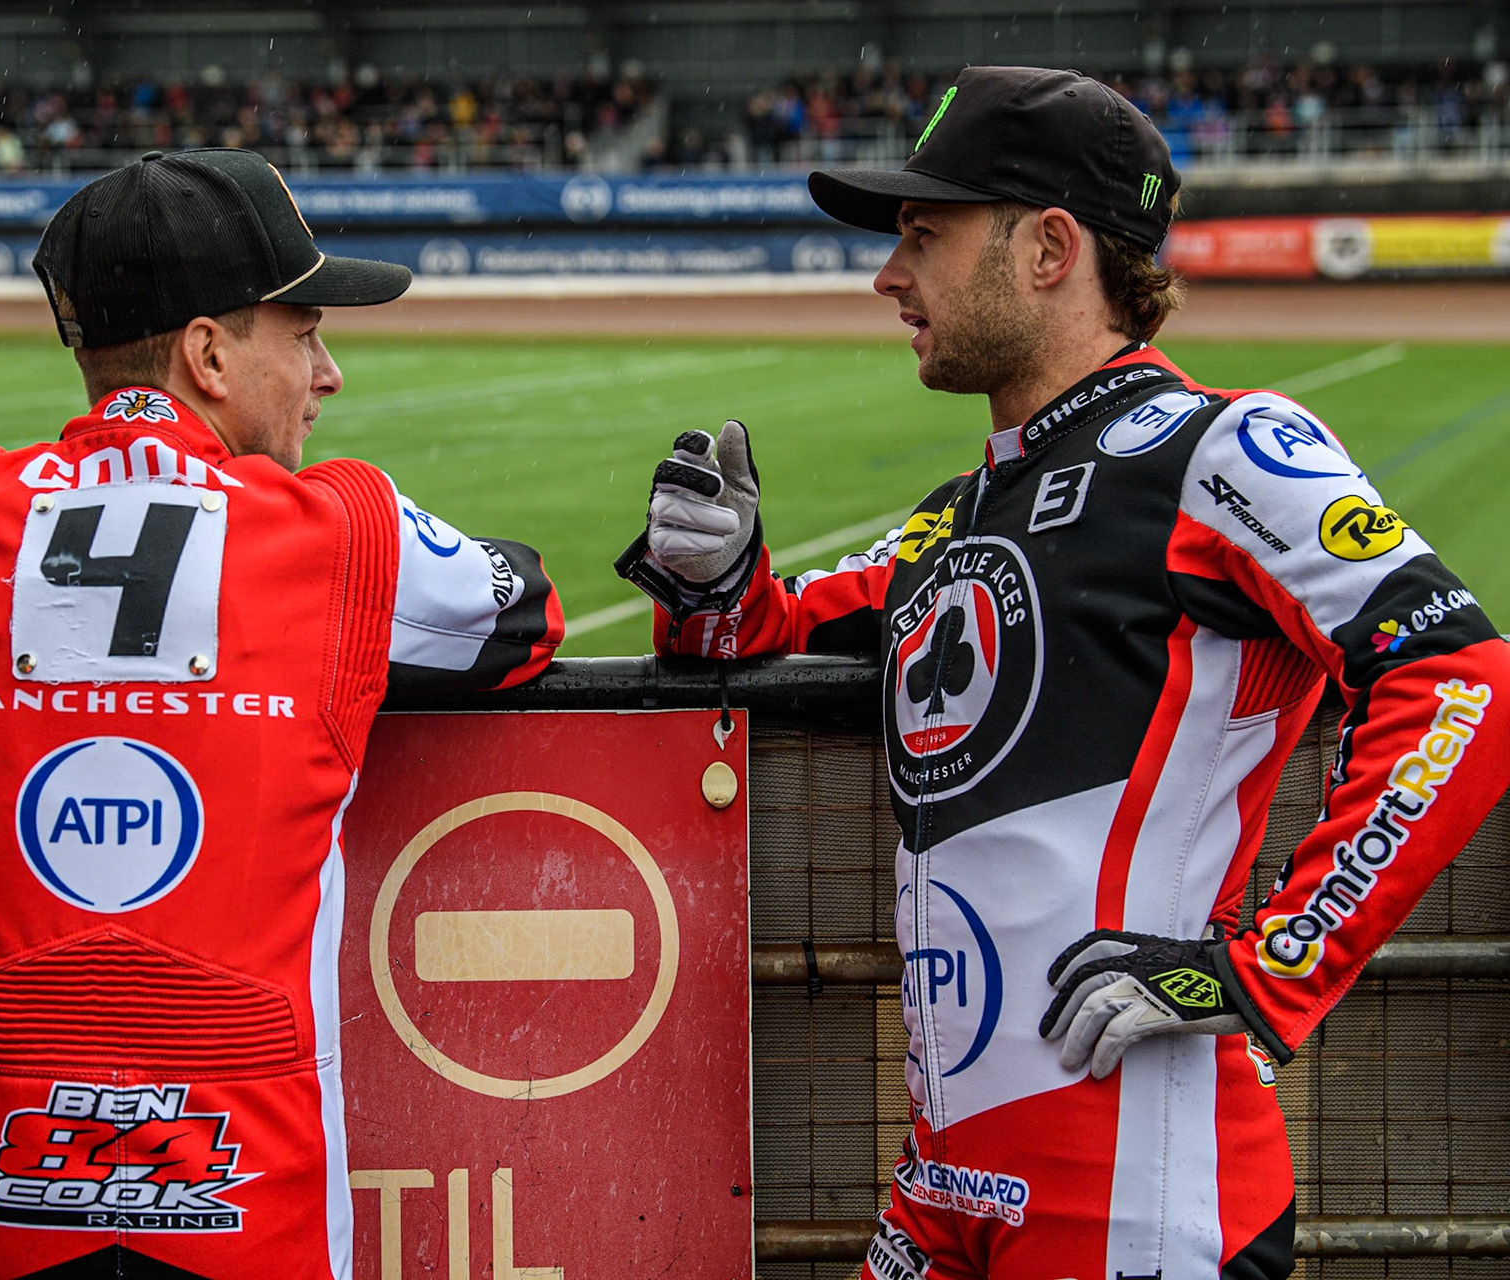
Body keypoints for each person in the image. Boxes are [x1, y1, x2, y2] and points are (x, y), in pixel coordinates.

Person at [617, 66, 1508, 1280]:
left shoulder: (1223, 447)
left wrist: (1268, 965)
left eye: (924, 236)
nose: (889, 276)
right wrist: (710, 584)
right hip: (942, 1181)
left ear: (1049, 248)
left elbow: (1461, 678)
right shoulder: (961, 511)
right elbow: (765, 631)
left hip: (1138, 1195)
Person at [0, 149, 563, 1280]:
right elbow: (525, 614)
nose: (329, 373)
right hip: (257, 1222)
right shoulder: (348, 532)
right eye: (301, 332)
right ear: (210, 353)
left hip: (5, 1223)